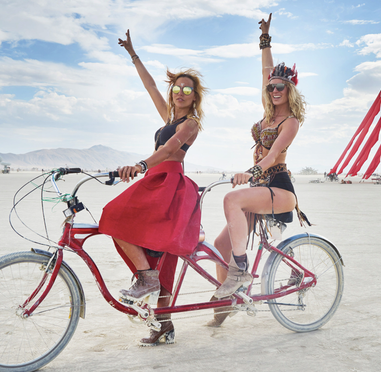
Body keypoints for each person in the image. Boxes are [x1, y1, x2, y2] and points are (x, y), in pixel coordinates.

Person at [103, 29, 207, 346]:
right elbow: (149, 85)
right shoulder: (167, 115)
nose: (180, 92)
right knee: (117, 221)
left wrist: (142, 165)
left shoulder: (191, 123)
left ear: (194, 96)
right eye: (176, 87)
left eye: (187, 89)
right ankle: (159, 310)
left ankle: (153, 296)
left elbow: (170, 148)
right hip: (154, 184)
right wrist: (133, 54)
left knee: (156, 252)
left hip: (171, 187)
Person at [206, 14, 308, 327]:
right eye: (271, 86)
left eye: (280, 86)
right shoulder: (266, 113)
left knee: (232, 200)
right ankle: (226, 305)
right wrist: (265, 38)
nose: (274, 89)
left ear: (289, 90)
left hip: (279, 188)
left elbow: (274, 154)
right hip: (261, 188)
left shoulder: (290, 121)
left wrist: (250, 172)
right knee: (218, 247)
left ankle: (240, 271)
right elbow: (266, 70)